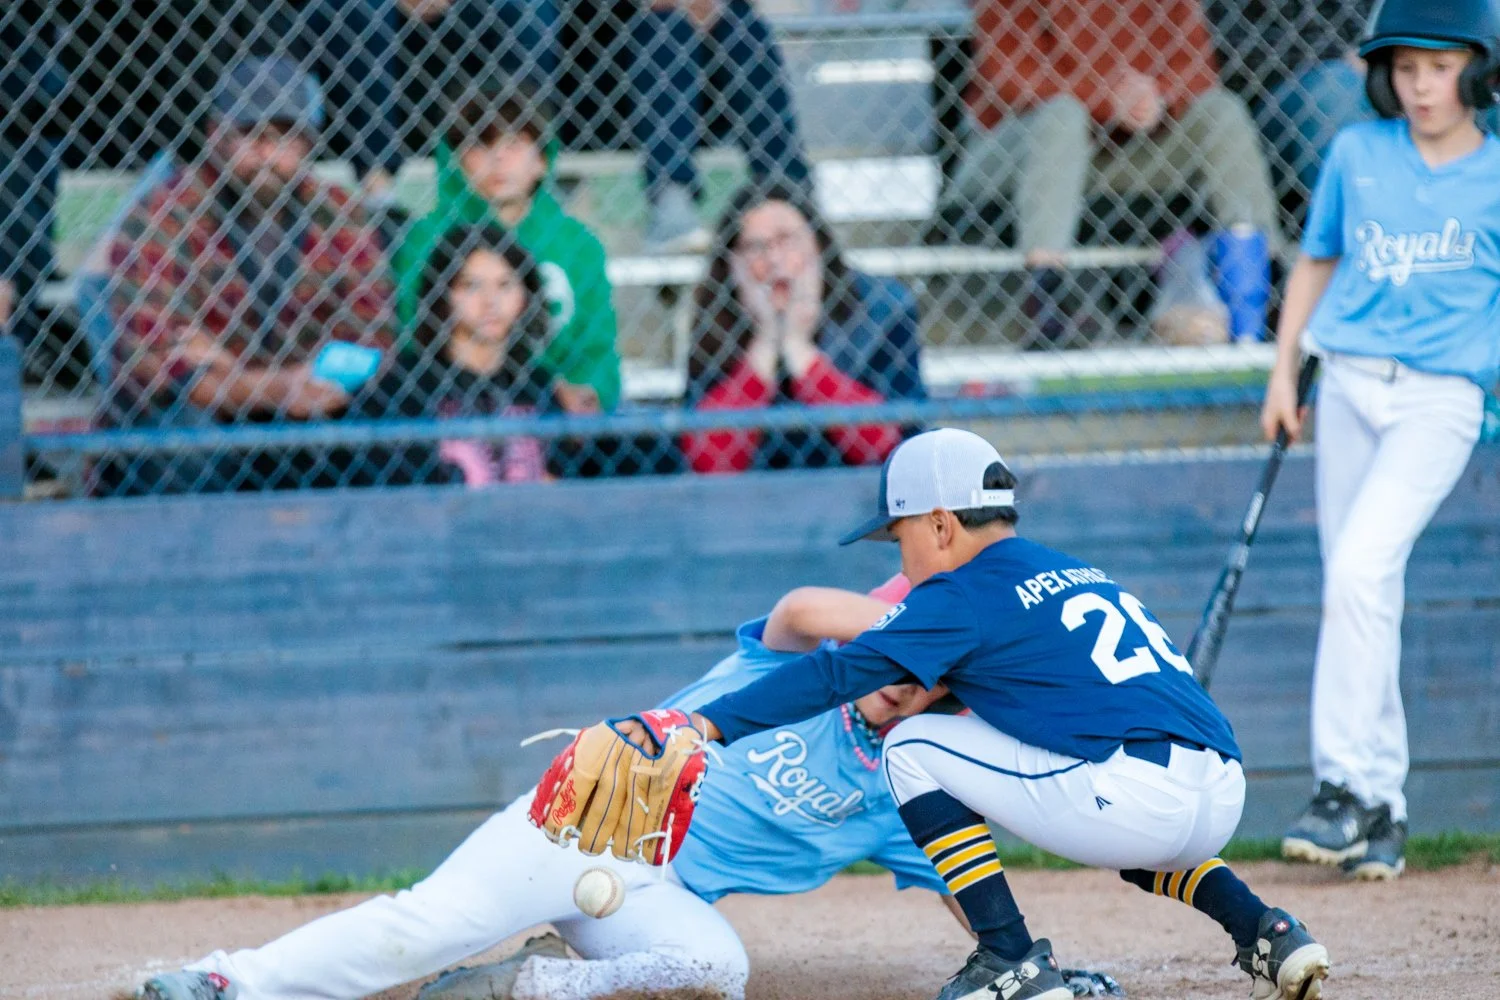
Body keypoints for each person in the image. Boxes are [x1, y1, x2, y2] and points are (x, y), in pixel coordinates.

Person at [580, 427, 1331, 1000]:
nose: (902, 561)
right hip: (1217, 788)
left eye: (901, 536)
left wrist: (707, 724)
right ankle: (1268, 930)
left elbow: (837, 672)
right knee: (1135, 832)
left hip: (1134, 791)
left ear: (941, 525)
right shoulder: (1070, 568)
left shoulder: (959, 590)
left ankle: (1008, 956)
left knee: (910, 745)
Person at [135, 576, 1122, 1000]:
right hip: (577, 828)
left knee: (715, 971)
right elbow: (798, 607)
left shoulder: (911, 777)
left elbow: (966, 887)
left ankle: (530, 982)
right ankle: (227, 981)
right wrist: (922, 635)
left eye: (929, 674)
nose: (903, 679)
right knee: (429, 923)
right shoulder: (796, 663)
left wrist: (1028, 967)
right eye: (894, 656)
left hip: (654, 890)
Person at [1260, 0, 1500, 882]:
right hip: (1349, 384)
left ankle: (1340, 788)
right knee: (1361, 588)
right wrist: (1283, 371)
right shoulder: (1358, 153)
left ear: (1478, 70)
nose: (1422, 86)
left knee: (1360, 571)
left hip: (1441, 399)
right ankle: (1385, 808)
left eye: (1441, 67)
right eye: (1405, 68)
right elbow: (1317, 260)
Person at [96, 56, 395, 495]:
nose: (267, 154)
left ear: (309, 144)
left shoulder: (339, 211)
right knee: (184, 439)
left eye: (285, 137)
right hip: (195, 422)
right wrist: (275, 385)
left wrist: (229, 367)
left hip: (310, 407)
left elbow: (371, 331)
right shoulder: (162, 214)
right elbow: (158, 358)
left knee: (383, 420)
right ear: (215, 135)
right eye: (250, 135)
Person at [940, 0, 1283, 343]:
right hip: (1016, 153)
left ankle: (1264, 287)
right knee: (1062, 115)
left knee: (1222, 110)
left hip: (1122, 154)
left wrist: (1159, 97)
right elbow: (1013, 81)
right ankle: (1046, 302)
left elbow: (1200, 70)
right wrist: (1106, 99)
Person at [395, 86, 622, 411]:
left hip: (556, 410)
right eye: (481, 144)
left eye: (514, 144)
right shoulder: (426, 239)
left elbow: (596, 346)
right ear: (456, 160)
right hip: (450, 403)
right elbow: (415, 336)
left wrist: (588, 394)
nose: (498, 159)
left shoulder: (577, 244)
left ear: (542, 160)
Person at [681, 181, 925, 474]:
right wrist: (766, 342)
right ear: (734, 265)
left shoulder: (881, 309)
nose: (774, 259)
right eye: (755, 247)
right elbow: (709, 462)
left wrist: (800, 351)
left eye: (787, 240)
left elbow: (893, 451)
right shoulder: (717, 319)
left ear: (817, 245)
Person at [346, 223, 594, 486]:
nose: (490, 302)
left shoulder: (537, 385)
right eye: (471, 286)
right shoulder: (405, 389)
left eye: (505, 285)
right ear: (444, 296)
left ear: (524, 296)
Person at [624, 0, 812, 252]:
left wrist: (711, 8)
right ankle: (672, 205)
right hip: (627, 93)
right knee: (667, 27)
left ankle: (788, 198)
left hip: (716, 91)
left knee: (743, 29)